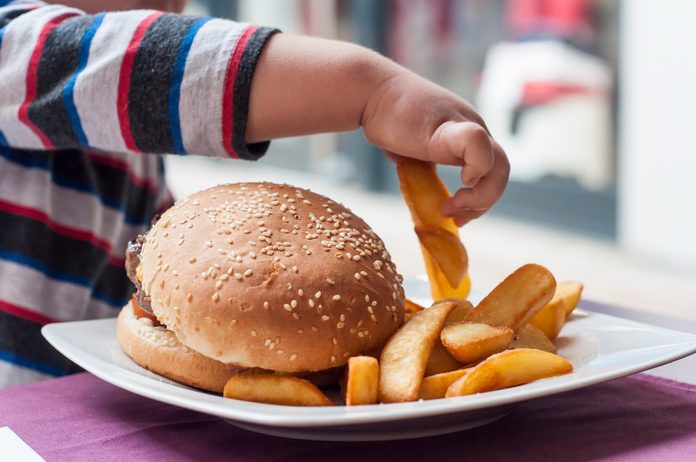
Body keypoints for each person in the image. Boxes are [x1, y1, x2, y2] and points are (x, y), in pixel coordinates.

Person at [0, 0, 509, 386]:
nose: (169, 8)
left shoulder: (130, 154)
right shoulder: (15, 52)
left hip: (90, 399)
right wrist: (372, 92)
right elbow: (108, 62)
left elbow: (165, 294)